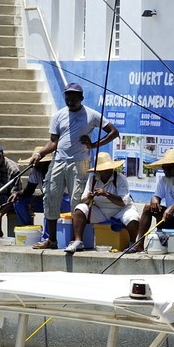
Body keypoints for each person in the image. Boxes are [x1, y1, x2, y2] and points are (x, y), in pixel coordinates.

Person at [26, 83, 120, 250]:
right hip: (58, 161)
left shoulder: (92, 115)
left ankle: (76, 240)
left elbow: (114, 132)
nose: (70, 101)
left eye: (74, 98)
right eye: (68, 98)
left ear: (81, 98)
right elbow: (54, 142)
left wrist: (94, 145)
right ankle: (52, 240)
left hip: (80, 162)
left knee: (77, 200)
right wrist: (39, 153)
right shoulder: (58, 116)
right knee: (51, 197)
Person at [64, 153, 141, 253]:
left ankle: (132, 244)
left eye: (109, 169)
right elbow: (84, 200)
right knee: (79, 209)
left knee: (133, 217)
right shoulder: (93, 180)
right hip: (101, 210)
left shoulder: (120, 179)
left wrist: (107, 194)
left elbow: (123, 202)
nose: (108, 171)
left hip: (121, 210)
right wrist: (90, 197)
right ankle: (78, 241)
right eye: (104, 170)